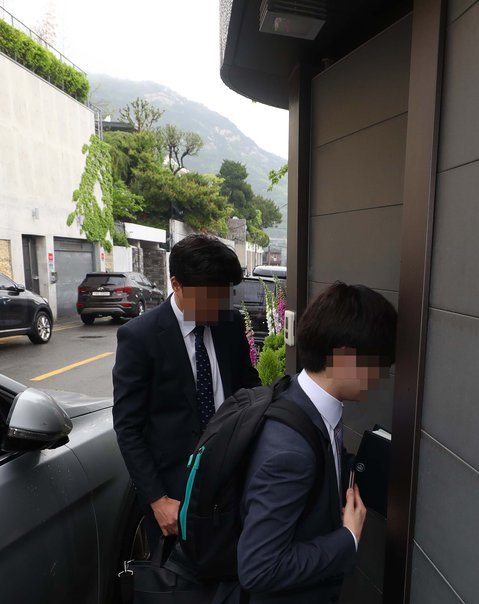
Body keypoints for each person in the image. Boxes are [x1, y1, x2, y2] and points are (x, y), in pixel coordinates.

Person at [231, 282, 397, 602]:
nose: (383, 376)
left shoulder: (298, 394)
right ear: (345, 356)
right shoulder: (290, 452)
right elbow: (259, 568)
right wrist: (348, 538)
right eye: (381, 364)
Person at [112, 234, 261, 557]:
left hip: (232, 484)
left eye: (223, 295)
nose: (217, 306)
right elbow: (128, 427)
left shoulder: (230, 323)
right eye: (208, 297)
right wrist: (157, 499)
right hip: (174, 496)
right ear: (176, 284)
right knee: (176, 576)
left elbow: (249, 391)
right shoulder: (140, 337)